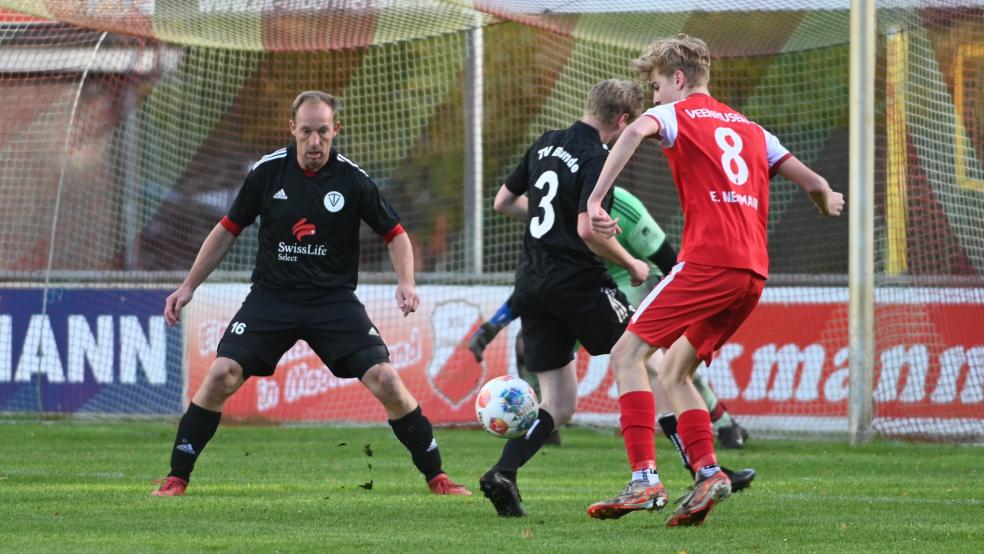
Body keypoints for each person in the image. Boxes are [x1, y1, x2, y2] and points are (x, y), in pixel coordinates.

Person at [151, 91, 471, 498]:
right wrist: (188, 285)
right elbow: (227, 230)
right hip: (273, 297)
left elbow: (397, 235)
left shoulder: (353, 180)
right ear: (293, 130)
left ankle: (438, 478)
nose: (315, 141)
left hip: (332, 301)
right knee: (220, 374)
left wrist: (406, 282)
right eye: (307, 132)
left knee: (386, 378)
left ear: (335, 130)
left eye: (323, 131)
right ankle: (176, 478)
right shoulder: (267, 173)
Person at [585, 35, 843, 527]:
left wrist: (598, 199)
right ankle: (707, 473)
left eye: (657, 85)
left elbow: (635, 131)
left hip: (708, 262)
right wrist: (827, 199)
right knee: (674, 369)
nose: (655, 96)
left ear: (678, 80)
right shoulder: (752, 128)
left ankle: (643, 479)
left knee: (627, 355)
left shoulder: (675, 114)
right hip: (751, 274)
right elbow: (813, 184)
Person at [479, 79, 651, 518]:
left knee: (559, 403)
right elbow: (589, 232)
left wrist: (545, 216)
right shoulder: (600, 157)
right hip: (578, 283)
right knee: (652, 357)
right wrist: (632, 264)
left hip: (533, 283)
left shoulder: (546, 143)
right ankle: (699, 469)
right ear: (623, 121)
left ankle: (504, 472)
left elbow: (503, 201)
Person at [468, 186, 752, 451]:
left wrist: (689, 316)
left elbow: (667, 261)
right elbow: (537, 283)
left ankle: (722, 422)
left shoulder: (625, 206)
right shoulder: (556, 212)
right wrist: (492, 326)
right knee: (525, 345)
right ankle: (545, 422)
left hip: (634, 278)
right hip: (586, 286)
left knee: (657, 355)